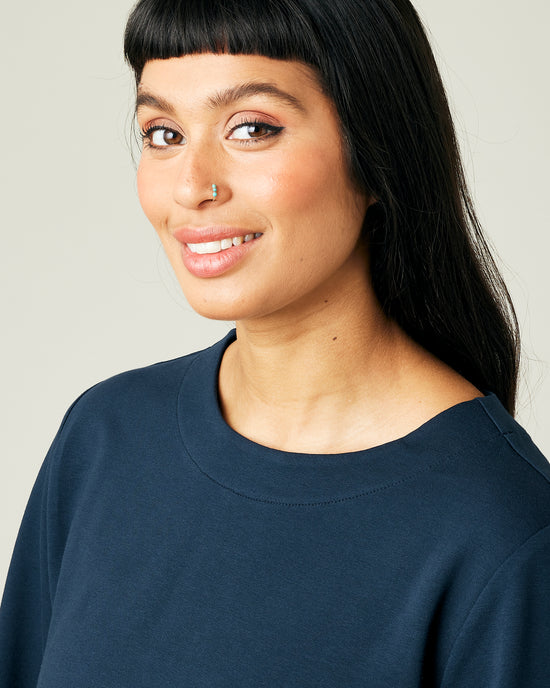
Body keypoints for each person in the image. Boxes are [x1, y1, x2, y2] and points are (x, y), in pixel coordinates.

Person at [1, 0, 549, 685]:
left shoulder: (505, 534)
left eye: (252, 128)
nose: (193, 185)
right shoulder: (103, 440)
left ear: (376, 149)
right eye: (163, 132)